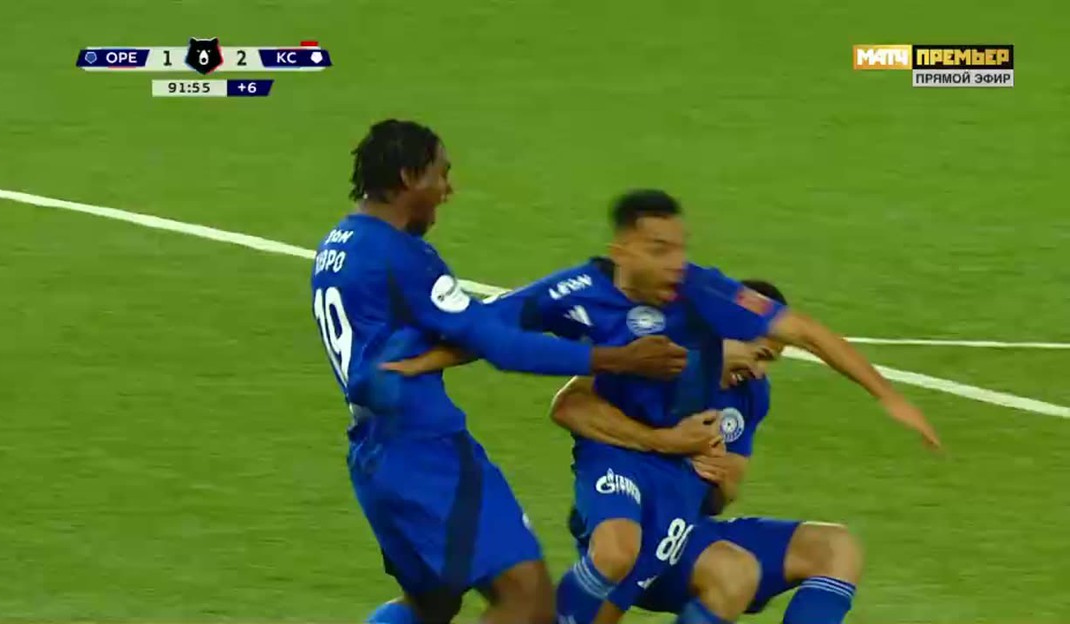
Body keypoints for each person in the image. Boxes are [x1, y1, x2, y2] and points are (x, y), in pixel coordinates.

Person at [385, 190, 939, 624]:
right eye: (660, 249)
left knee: (789, 558)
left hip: (678, 493)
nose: (677, 263)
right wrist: (420, 363)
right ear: (624, 249)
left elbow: (805, 335)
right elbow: (495, 332)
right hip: (619, 463)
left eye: (680, 249)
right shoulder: (589, 300)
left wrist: (886, 397)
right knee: (616, 551)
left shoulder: (725, 340)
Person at [312, 120, 689, 624]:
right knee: (527, 601)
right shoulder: (400, 255)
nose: (448, 190)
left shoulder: (337, 244)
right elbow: (500, 347)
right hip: (426, 452)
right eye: (441, 174)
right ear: (408, 177)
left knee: (432, 603)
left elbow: (443, 330)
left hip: (374, 452)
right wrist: (616, 359)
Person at [554, 280, 865, 624]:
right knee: (647, 558)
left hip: (686, 526)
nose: (759, 372)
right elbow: (569, 406)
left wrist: (719, 475)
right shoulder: (657, 349)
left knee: (835, 547)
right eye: (760, 355)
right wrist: (663, 441)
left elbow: (721, 498)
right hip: (633, 513)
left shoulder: (750, 394)